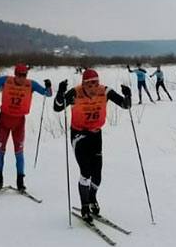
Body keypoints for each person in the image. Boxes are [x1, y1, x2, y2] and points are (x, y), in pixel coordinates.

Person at [54, 69, 132, 223]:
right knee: (86, 171)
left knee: (97, 174)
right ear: (83, 84)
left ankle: (91, 198)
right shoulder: (75, 93)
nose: (93, 87)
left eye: (95, 83)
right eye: (89, 84)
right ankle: (84, 206)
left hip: (96, 134)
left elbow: (125, 105)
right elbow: (57, 107)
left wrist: (128, 95)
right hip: (79, 134)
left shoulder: (105, 91)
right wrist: (60, 93)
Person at [0, 64, 52, 190]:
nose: (21, 78)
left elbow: (48, 94)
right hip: (4, 120)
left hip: (19, 122)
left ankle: (20, 181)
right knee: (0, 150)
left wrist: (48, 86)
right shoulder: (6, 80)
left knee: (19, 152)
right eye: (19, 75)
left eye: (24, 75)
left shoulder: (31, 84)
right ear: (15, 74)